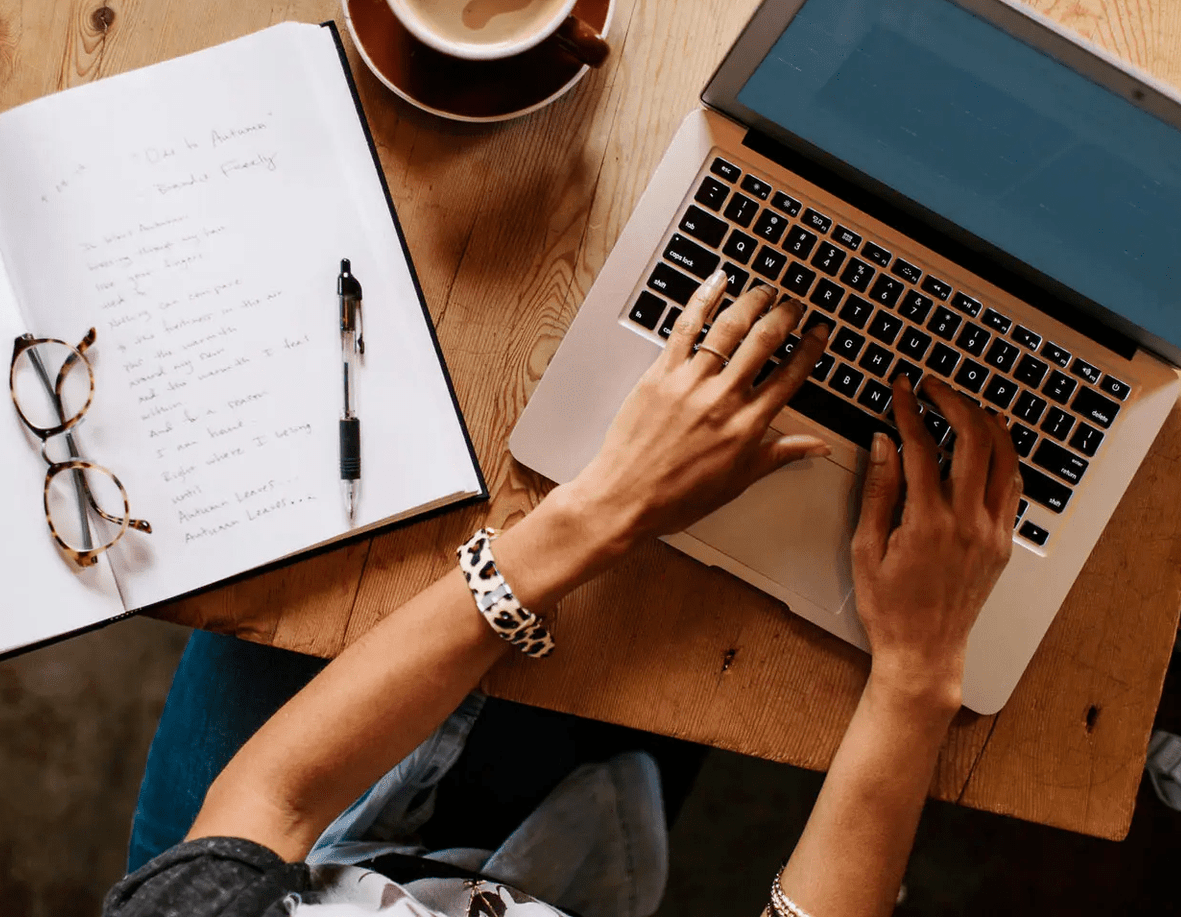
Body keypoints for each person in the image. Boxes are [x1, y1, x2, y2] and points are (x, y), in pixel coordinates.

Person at [104, 272, 1021, 917]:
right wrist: (915, 674)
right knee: (700, 644)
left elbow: (268, 802)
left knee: (308, 560)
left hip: (293, 856)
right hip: (549, 885)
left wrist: (600, 511)